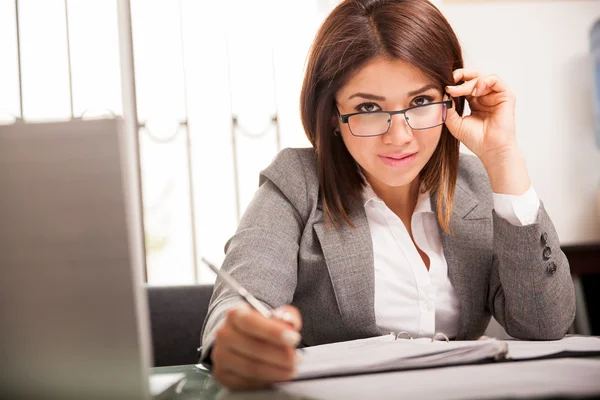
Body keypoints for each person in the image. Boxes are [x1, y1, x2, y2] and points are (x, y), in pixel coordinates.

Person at [200, 0, 576, 390]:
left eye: (420, 102)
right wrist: (239, 340)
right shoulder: (297, 184)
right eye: (368, 107)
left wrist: (503, 157)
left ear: (450, 101)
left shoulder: (478, 186)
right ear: (333, 114)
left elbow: (545, 323)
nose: (399, 137)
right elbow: (238, 306)